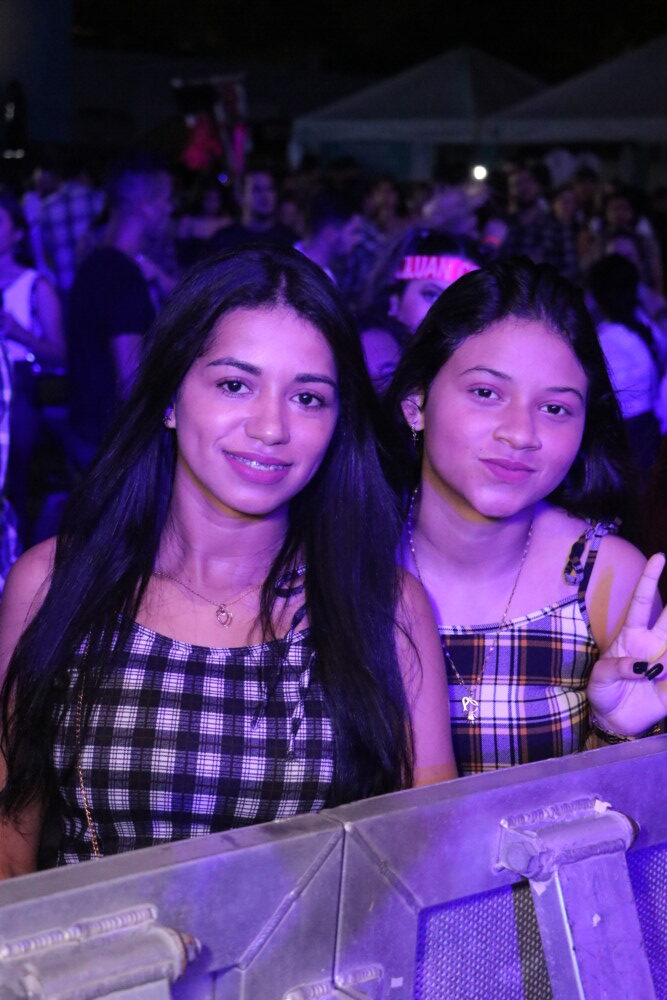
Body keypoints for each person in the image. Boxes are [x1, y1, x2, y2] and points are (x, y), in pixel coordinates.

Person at [0, 247, 455, 876]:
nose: (271, 427)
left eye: (308, 398)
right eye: (235, 385)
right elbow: (9, 845)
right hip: (94, 941)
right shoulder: (55, 583)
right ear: (169, 396)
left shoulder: (383, 605)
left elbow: (427, 857)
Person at [387, 256, 667, 776]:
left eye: (555, 408)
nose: (520, 433)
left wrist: (618, 734)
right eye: (486, 393)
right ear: (416, 402)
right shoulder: (347, 555)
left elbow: (636, 813)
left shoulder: (606, 579)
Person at [66, 151, 174, 469]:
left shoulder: (92, 264)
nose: (170, 209)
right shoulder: (123, 275)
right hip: (112, 444)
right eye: (166, 199)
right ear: (146, 206)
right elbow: (131, 380)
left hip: (85, 431)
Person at [0, 191, 65, 544]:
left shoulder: (34, 285)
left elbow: (60, 354)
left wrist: (17, 331)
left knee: (14, 485)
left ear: (18, 233)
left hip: (19, 389)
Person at [363, 227, 482, 335]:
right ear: (395, 297)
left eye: (462, 306)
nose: (447, 315)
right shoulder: (372, 343)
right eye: (432, 296)